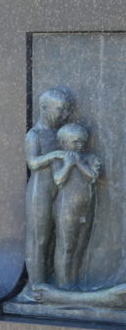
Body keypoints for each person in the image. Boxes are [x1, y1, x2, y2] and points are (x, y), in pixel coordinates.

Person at [22, 88, 71, 298]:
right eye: (60, 109)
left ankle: (53, 283)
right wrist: (56, 154)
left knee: (55, 239)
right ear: (44, 108)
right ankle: (36, 287)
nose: (65, 114)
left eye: (66, 109)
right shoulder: (34, 135)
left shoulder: (60, 133)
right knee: (39, 239)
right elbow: (33, 163)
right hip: (39, 191)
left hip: (59, 189)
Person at [51, 123, 100, 290]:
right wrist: (68, 165)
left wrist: (78, 163)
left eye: (82, 142)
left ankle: (75, 281)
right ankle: (64, 284)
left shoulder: (91, 158)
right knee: (66, 247)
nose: (80, 145)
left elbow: (93, 177)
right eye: (75, 142)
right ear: (63, 143)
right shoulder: (59, 159)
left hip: (86, 209)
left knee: (80, 247)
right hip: (66, 209)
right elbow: (58, 180)